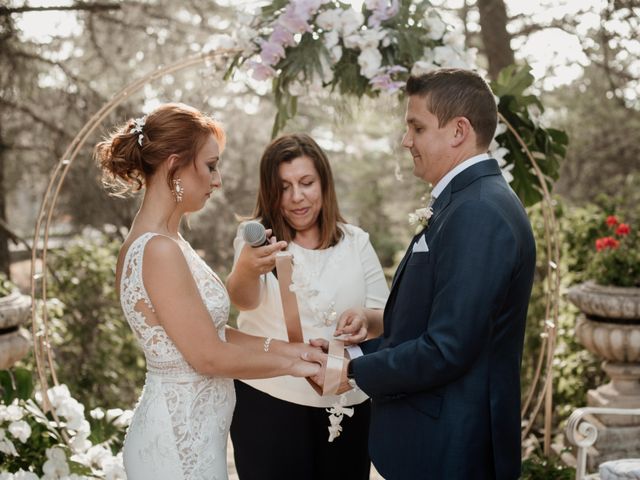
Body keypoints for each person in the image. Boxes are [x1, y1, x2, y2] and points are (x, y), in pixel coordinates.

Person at [311, 69, 537, 479]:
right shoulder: (464, 202)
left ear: (458, 131)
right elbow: (428, 321)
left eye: (416, 127)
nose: (406, 140)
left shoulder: (479, 212)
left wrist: (351, 371)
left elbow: (447, 348)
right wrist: (358, 349)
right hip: (438, 441)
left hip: (454, 449)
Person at [94, 103, 320, 480]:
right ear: (173, 165)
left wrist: (292, 348)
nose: (217, 180)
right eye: (211, 166)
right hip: (176, 445)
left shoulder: (169, 240)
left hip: (195, 437)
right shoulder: (158, 249)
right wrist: (298, 367)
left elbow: (211, 332)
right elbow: (208, 357)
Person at [225, 133, 389, 480]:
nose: (296, 197)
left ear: (324, 184)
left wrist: (364, 319)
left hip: (347, 405)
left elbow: (383, 317)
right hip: (270, 403)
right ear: (270, 191)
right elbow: (244, 299)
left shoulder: (356, 242)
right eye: (283, 187)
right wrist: (245, 268)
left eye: (306, 183)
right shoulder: (258, 243)